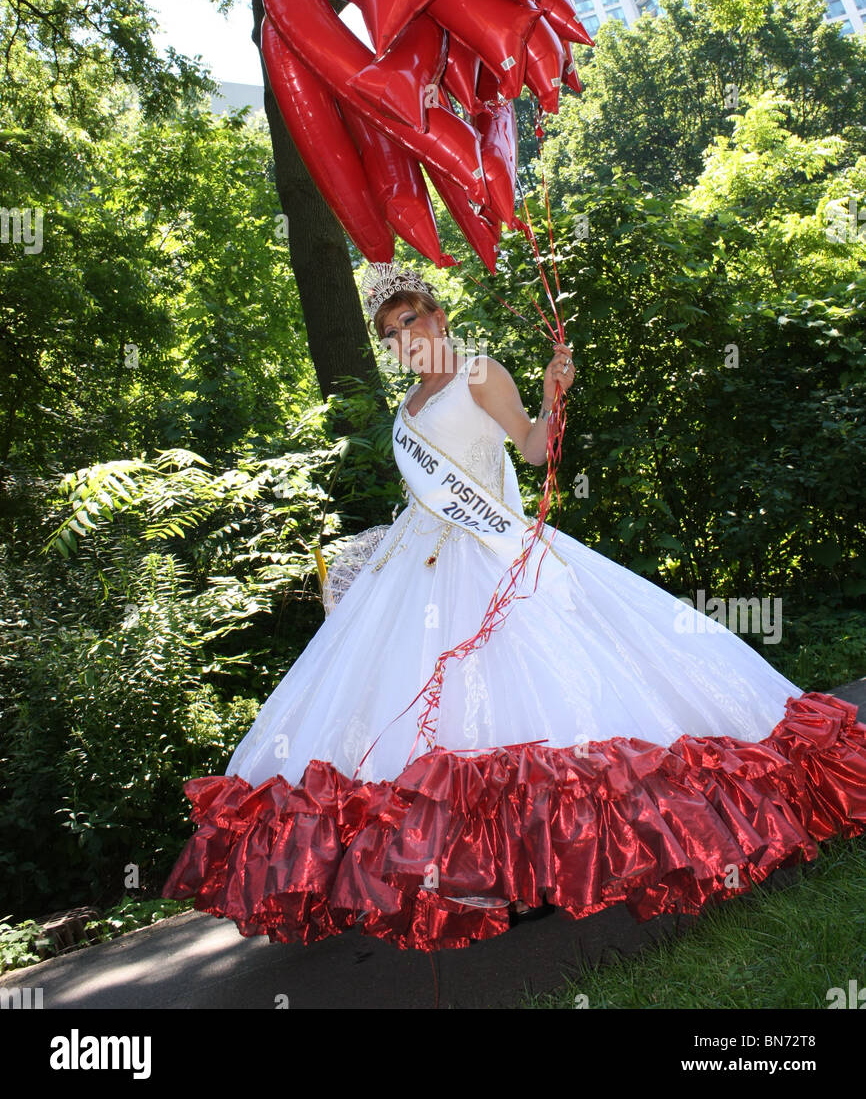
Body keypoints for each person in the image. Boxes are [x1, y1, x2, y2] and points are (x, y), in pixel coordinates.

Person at [162, 262, 866, 952]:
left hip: (493, 555)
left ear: (437, 315)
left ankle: (552, 862)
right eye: (388, 333)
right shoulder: (406, 407)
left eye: (409, 320)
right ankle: (484, 873)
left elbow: (531, 450)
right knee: (428, 720)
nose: (402, 338)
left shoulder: (478, 373)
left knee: (526, 705)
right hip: (419, 568)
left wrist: (552, 396)